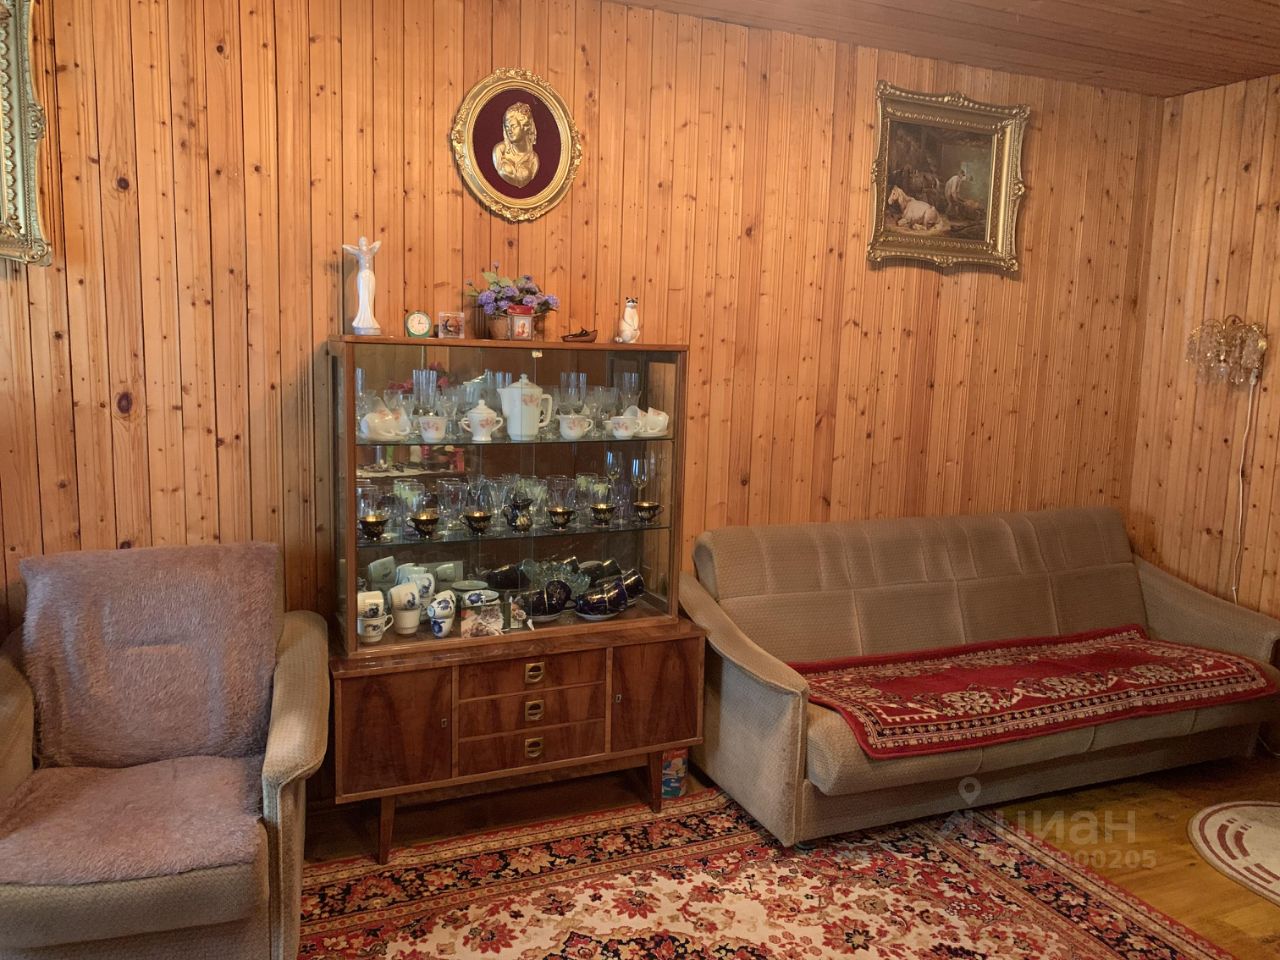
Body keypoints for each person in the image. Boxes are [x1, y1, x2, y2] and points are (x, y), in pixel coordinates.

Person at [492, 102, 539, 188]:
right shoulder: (500, 150)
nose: (509, 131)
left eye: (513, 126)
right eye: (507, 127)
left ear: (525, 127)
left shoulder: (533, 159)